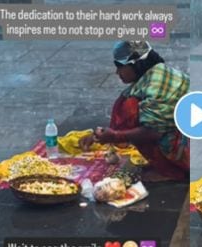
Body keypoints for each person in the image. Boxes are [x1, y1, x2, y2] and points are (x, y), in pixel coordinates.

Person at [79, 41, 189, 181]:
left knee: (128, 108)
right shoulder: (156, 73)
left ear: (135, 64)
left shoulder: (156, 85)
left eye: (120, 66)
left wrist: (115, 136)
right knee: (126, 105)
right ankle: (165, 165)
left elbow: (153, 132)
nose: (117, 72)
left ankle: (170, 171)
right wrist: (97, 136)